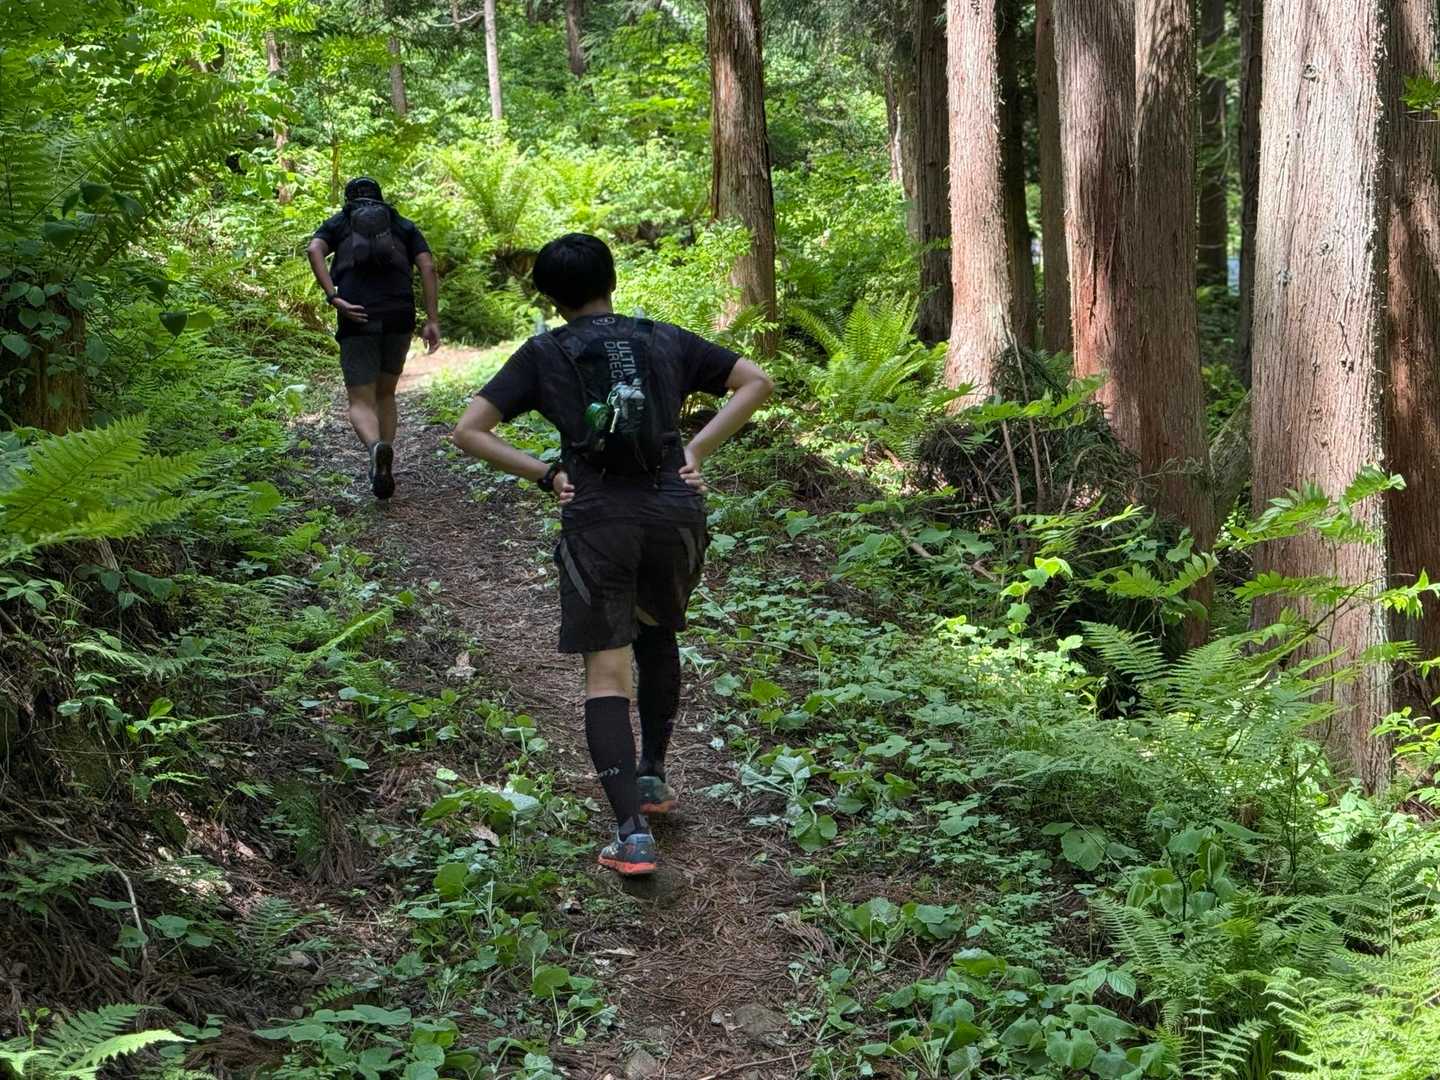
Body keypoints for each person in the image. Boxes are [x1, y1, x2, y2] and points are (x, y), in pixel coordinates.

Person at [451, 233, 773, 876]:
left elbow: (469, 430)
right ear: (613, 280)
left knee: (606, 672)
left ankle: (631, 835)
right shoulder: (663, 338)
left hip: (599, 514)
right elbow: (755, 381)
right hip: (674, 511)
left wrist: (546, 474)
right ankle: (652, 774)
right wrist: (694, 450)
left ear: (549, 295)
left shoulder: (544, 352)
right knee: (658, 633)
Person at [307, 176, 441, 500]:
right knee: (385, 393)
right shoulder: (401, 224)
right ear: (380, 198)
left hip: (357, 315)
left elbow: (314, 249)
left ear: (348, 200)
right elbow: (428, 267)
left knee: (360, 400)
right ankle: (386, 454)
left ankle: (374, 448)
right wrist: (432, 319)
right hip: (399, 315)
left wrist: (333, 296)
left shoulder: (340, 222)